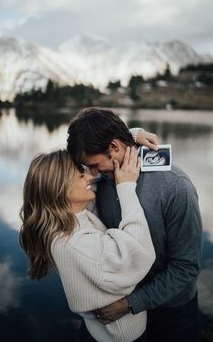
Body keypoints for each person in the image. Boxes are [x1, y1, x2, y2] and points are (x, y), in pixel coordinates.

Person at [67, 108, 203, 342]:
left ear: (114, 147)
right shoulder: (102, 177)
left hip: (172, 312)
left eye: (94, 165)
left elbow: (186, 267)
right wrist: (133, 133)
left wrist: (131, 303)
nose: (91, 174)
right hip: (120, 301)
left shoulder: (176, 188)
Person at [19, 147, 156, 342]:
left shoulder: (72, 217)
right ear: (61, 189)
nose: (88, 177)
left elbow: (90, 150)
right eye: (79, 175)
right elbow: (137, 254)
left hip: (102, 332)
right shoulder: (73, 242)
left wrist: (128, 140)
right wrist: (126, 188)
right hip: (122, 337)